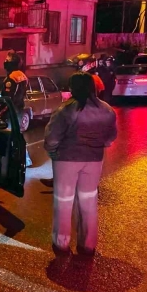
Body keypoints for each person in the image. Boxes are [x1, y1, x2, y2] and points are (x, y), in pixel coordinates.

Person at [44, 72, 117, 257]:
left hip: (66, 160)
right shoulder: (107, 109)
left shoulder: (66, 110)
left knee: (64, 201)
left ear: (74, 88)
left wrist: (53, 151)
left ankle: (61, 243)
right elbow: (110, 137)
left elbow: (51, 139)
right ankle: (88, 245)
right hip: (94, 160)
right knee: (89, 200)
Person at [0, 50, 32, 167]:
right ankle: (24, 159)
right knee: (17, 133)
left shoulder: (11, 78)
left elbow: (8, 99)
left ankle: (19, 160)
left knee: (10, 135)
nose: (4, 62)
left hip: (12, 110)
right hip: (19, 108)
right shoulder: (22, 75)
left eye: (6, 61)